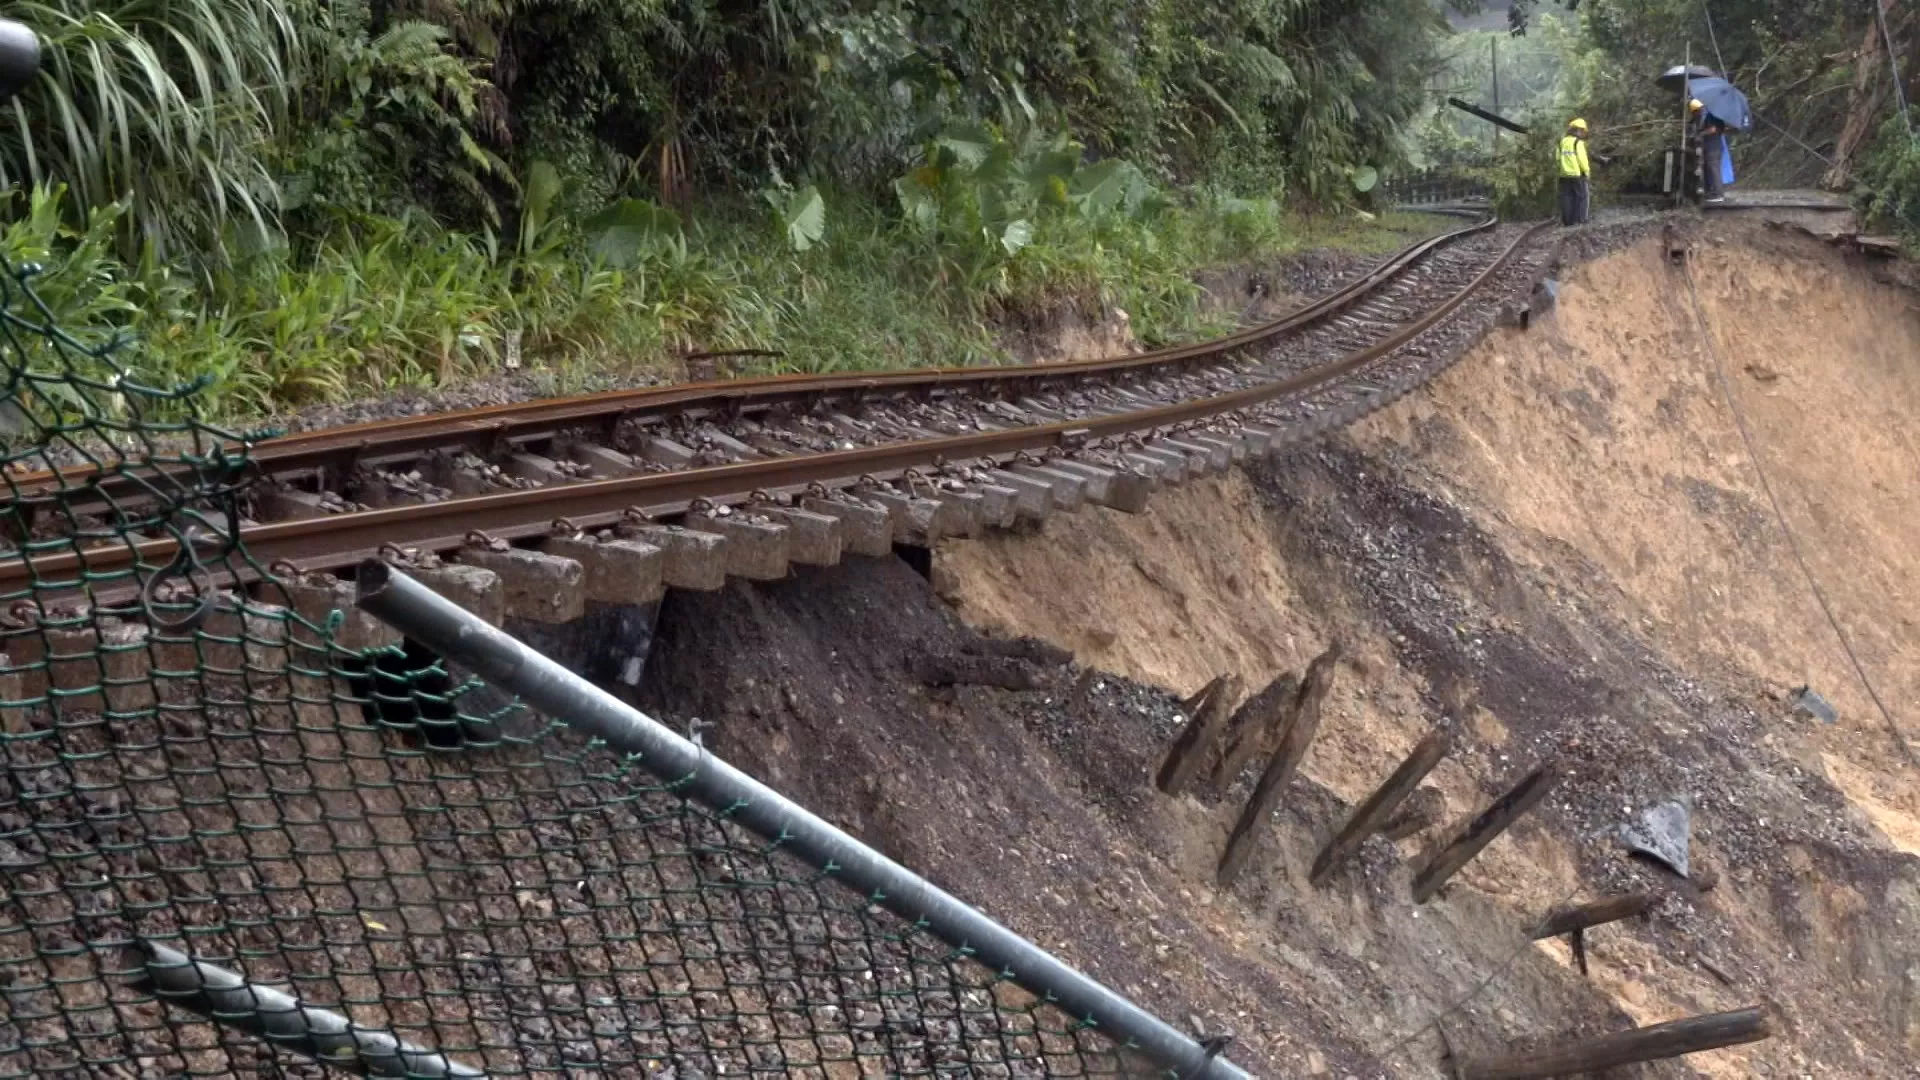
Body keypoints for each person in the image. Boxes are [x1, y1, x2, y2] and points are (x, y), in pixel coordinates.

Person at [1691, 99, 1728, 204]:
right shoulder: (1708, 116)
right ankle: (1710, 192)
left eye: (1696, 111)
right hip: (1709, 147)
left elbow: (1713, 129)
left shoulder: (1711, 116)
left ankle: (1719, 194)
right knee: (1708, 171)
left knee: (1714, 169)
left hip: (1714, 147)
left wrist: (1700, 134)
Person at [1557, 118, 1592, 227]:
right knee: (1581, 197)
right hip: (1577, 175)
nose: (1583, 134)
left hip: (1563, 175)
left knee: (1566, 198)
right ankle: (1580, 221)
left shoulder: (1562, 142)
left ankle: (1568, 222)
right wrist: (1587, 172)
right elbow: (1582, 160)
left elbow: (1558, 158)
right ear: (1577, 130)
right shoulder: (1578, 143)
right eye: (1582, 131)